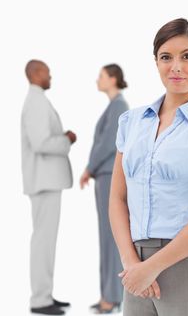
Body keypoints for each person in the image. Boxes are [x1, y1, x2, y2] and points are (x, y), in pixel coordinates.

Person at [109, 18, 188, 316]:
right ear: (156, 62)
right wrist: (132, 264)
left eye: (187, 56)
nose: (176, 66)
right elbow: (117, 197)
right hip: (135, 272)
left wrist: (153, 266)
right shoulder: (132, 122)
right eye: (166, 57)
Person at [21, 60, 76, 315]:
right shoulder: (36, 102)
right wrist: (66, 139)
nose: (50, 76)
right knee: (43, 242)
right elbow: (41, 142)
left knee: (46, 241)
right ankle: (40, 299)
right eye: (47, 72)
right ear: (36, 74)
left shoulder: (38, 100)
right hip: (44, 182)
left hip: (46, 181)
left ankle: (45, 294)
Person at [80, 64, 129, 314]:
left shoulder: (119, 106)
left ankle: (111, 297)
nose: (97, 80)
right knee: (108, 236)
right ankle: (110, 295)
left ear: (112, 79)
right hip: (106, 176)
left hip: (109, 176)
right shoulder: (114, 106)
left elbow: (108, 143)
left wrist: (88, 168)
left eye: (100, 76)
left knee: (110, 237)